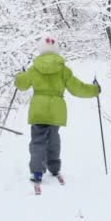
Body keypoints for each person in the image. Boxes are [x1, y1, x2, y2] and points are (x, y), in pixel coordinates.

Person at [15, 35, 101, 183]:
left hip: (38, 109)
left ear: (40, 49)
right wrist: (95, 89)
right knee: (53, 139)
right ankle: (54, 168)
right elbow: (77, 89)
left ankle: (36, 171)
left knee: (38, 141)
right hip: (57, 110)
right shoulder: (63, 70)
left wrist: (19, 76)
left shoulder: (34, 69)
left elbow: (21, 85)